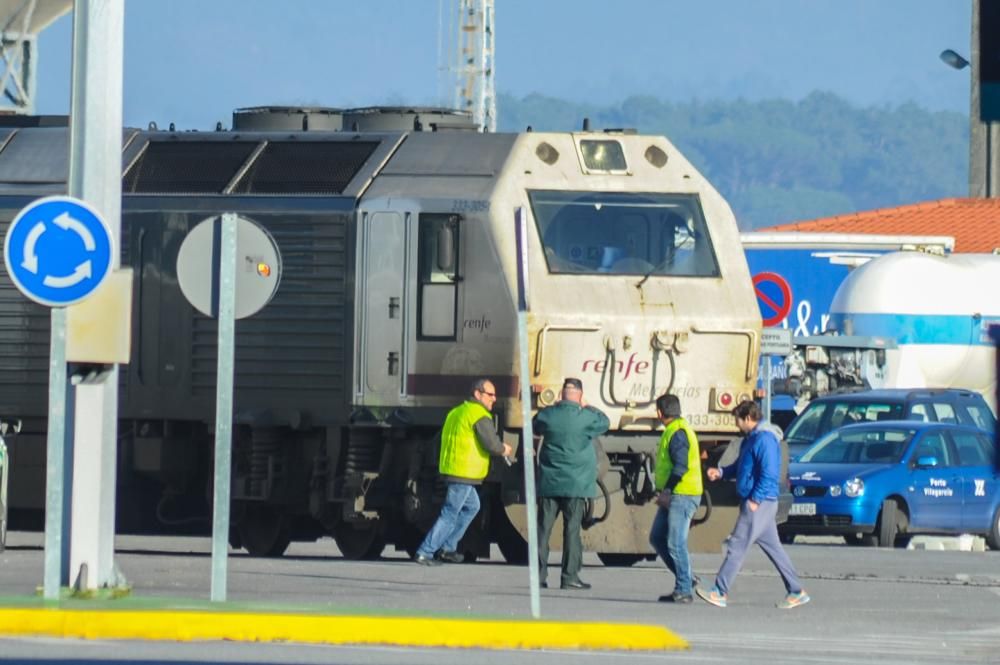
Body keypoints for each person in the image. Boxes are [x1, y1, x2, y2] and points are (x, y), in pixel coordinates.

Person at [696, 400, 810, 609]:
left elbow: (769, 475)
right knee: (775, 549)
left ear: (748, 418)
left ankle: (720, 591)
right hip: (761, 503)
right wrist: (721, 472)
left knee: (736, 545)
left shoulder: (765, 440)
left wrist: (755, 500)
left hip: (760, 503)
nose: (737, 425)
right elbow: (742, 466)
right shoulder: (752, 439)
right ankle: (796, 591)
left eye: (738, 421)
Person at [414, 378, 512, 566]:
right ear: (477, 394)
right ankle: (425, 552)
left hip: (455, 469)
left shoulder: (457, 412)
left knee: (472, 507)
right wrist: (503, 449)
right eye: (490, 394)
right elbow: (491, 444)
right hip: (464, 472)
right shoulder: (479, 414)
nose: (494, 398)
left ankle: (448, 548)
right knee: (450, 513)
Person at [533, 378, 610, 590]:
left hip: (550, 483)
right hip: (576, 485)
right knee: (572, 531)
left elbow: (536, 426)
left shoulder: (548, 415)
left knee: (542, 531)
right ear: (580, 395)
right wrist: (587, 405)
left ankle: (537, 577)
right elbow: (605, 422)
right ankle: (569, 578)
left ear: (561, 394)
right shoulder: (586, 417)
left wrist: (555, 405)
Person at [648, 393, 702, 604]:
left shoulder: (678, 433)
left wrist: (667, 491)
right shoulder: (675, 430)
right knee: (657, 538)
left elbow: (681, 466)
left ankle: (684, 590)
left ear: (660, 413)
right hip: (676, 494)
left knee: (675, 542)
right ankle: (686, 579)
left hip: (682, 494)